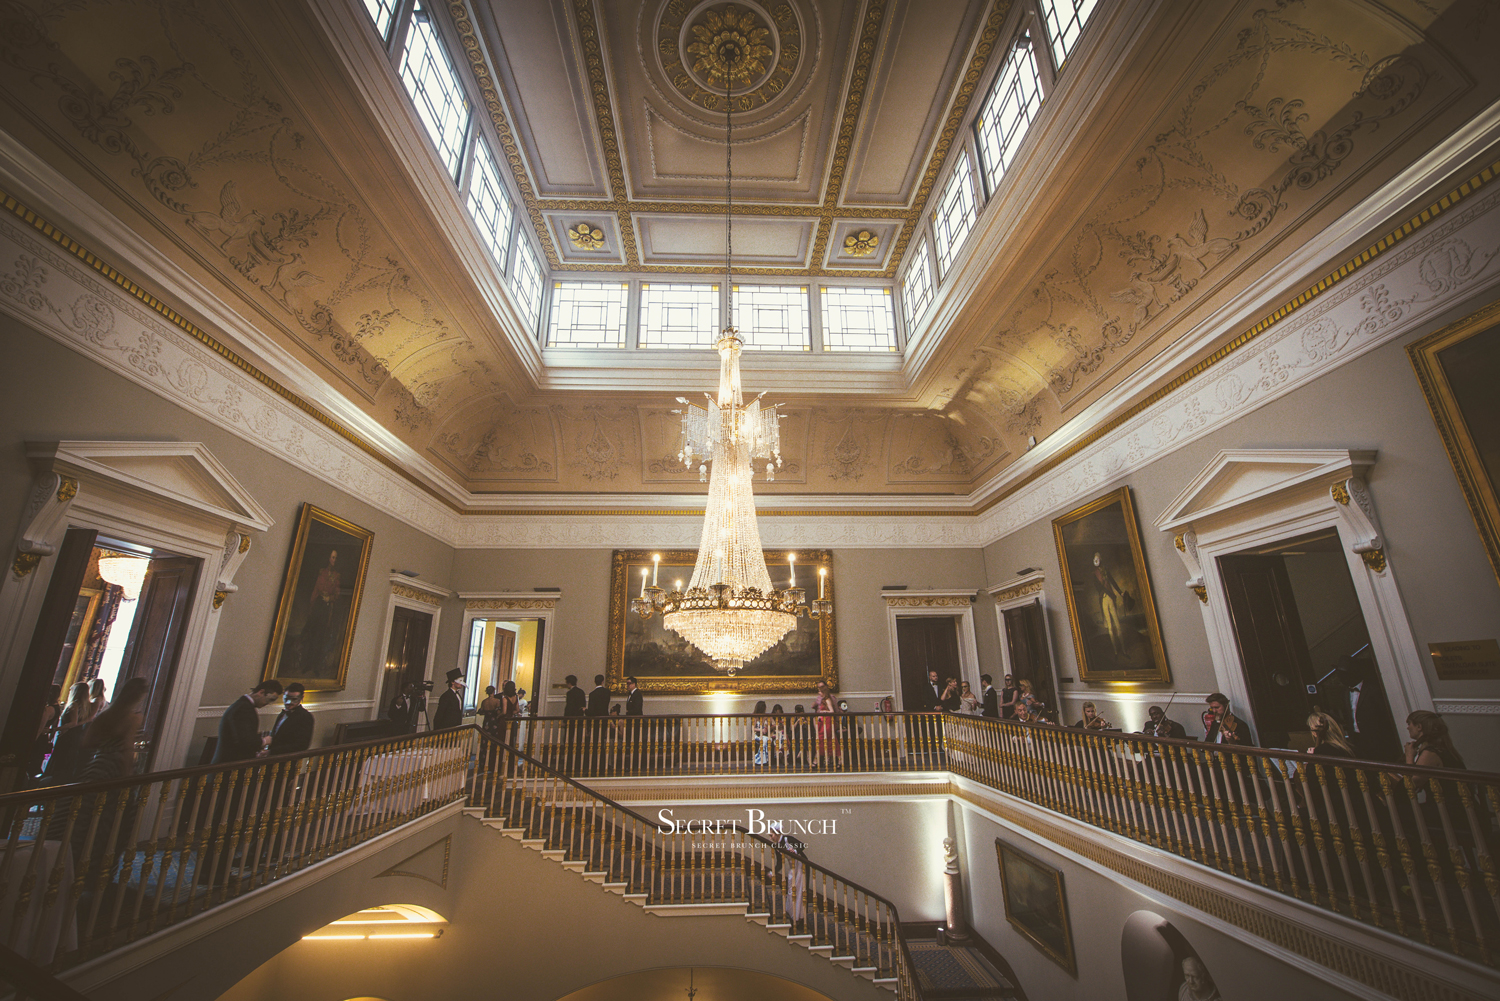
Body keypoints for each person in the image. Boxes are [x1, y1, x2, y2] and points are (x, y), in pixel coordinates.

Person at [213, 680, 283, 764]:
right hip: (230, 765)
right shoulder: (244, 708)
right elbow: (244, 741)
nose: (268, 703)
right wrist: (264, 741)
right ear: (261, 692)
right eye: (270, 699)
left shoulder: (242, 705)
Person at [298, 549, 341, 675]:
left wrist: (330, 598)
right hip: (317, 604)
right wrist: (312, 606)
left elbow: (337, 594)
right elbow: (315, 589)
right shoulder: (321, 572)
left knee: (320, 639)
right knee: (311, 635)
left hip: (326, 607)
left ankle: (316, 666)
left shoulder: (337, 576)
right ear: (328, 558)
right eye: (332, 557)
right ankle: (307, 664)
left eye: (335, 558)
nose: (334, 560)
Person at [263, 683, 314, 755]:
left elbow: (302, 745)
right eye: (286, 698)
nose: (289, 702)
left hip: (286, 760)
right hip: (272, 758)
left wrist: (272, 751)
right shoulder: (283, 713)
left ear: (301, 698)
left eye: (294, 699)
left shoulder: (305, 717)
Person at [28, 683, 64, 783]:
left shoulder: (48, 709)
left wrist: (31, 741)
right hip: (45, 737)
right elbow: (55, 726)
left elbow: (40, 727)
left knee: (32, 764)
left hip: (39, 738)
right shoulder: (57, 708)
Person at [814, 682, 841, 768]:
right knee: (822, 740)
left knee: (829, 740)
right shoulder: (822, 700)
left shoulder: (828, 699)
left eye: (820, 691)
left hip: (828, 721)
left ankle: (838, 760)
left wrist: (824, 712)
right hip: (822, 722)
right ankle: (818, 760)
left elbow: (832, 711)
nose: (819, 693)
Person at [751, 700, 770, 766]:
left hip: (764, 734)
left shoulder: (765, 717)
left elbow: (769, 724)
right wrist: (760, 730)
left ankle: (765, 759)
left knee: (767, 739)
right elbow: (753, 728)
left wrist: (766, 728)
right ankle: (759, 759)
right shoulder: (755, 717)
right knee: (764, 740)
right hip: (757, 734)